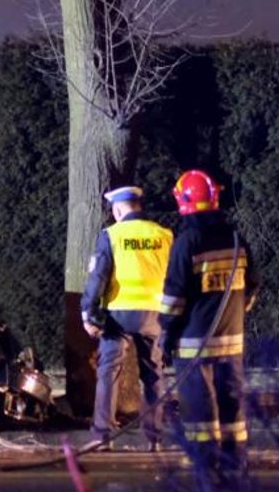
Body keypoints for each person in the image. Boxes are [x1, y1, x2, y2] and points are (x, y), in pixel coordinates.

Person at [160, 170, 258, 479]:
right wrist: (235, 312)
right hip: (232, 340)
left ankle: (205, 462)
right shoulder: (235, 238)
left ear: (184, 201)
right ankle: (235, 460)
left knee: (199, 405)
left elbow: (174, 298)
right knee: (231, 403)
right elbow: (253, 284)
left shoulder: (187, 242)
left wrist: (167, 331)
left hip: (193, 344)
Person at [81, 185, 173, 452]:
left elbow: (99, 276)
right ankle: (155, 438)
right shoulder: (164, 235)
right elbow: (174, 276)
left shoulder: (112, 234)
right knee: (154, 374)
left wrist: (89, 312)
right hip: (154, 314)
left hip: (118, 315)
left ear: (118, 209)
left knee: (109, 371)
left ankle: (102, 435)